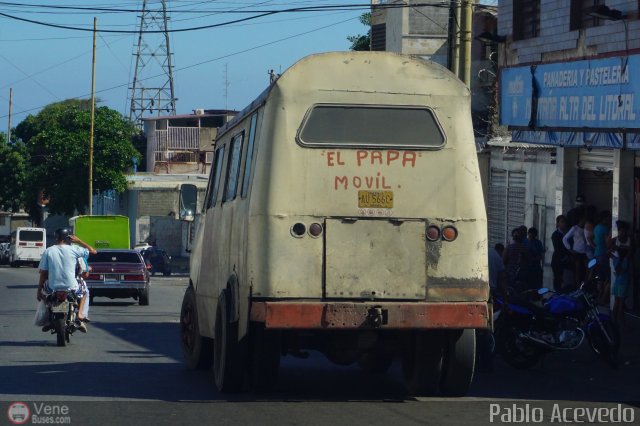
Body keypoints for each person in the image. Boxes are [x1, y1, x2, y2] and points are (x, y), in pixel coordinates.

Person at [37, 228, 97, 332]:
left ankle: (48, 316)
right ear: (68, 238)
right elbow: (93, 251)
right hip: (71, 286)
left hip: (53, 287)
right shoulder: (75, 249)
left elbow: (43, 273)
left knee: (44, 294)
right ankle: (80, 314)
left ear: (56, 238)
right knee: (85, 292)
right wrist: (79, 241)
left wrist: (38, 291)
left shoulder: (48, 251)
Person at [609, 220, 633, 326]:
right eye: (620, 231)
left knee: (618, 299)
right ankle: (619, 319)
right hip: (622, 274)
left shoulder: (626, 241)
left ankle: (614, 319)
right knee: (620, 300)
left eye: (623, 231)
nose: (621, 233)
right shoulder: (616, 241)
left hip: (619, 274)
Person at [563, 214, 588, 290]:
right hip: (576, 252)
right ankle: (577, 287)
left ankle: (585, 286)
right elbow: (565, 238)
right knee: (578, 271)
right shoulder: (575, 228)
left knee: (587, 270)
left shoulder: (586, 228)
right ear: (580, 220)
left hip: (585, 252)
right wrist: (569, 249)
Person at [503, 227, 530, 292]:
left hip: (510, 274)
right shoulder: (525, 249)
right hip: (522, 275)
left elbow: (504, 261)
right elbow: (528, 261)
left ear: (512, 237)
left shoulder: (509, 248)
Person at [593, 211, 612, 304]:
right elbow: (607, 243)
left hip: (596, 254)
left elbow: (593, 239)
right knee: (608, 278)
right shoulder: (605, 228)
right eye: (608, 217)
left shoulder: (596, 227)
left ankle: (598, 296)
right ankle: (604, 298)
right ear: (604, 218)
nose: (609, 219)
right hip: (604, 255)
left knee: (600, 277)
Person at [551, 215, 571, 292]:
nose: (564, 224)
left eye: (564, 222)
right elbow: (558, 249)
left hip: (565, 260)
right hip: (557, 260)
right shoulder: (555, 235)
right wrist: (565, 256)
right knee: (557, 278)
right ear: (558, 223)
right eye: (562, 222)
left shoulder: (567, 234)